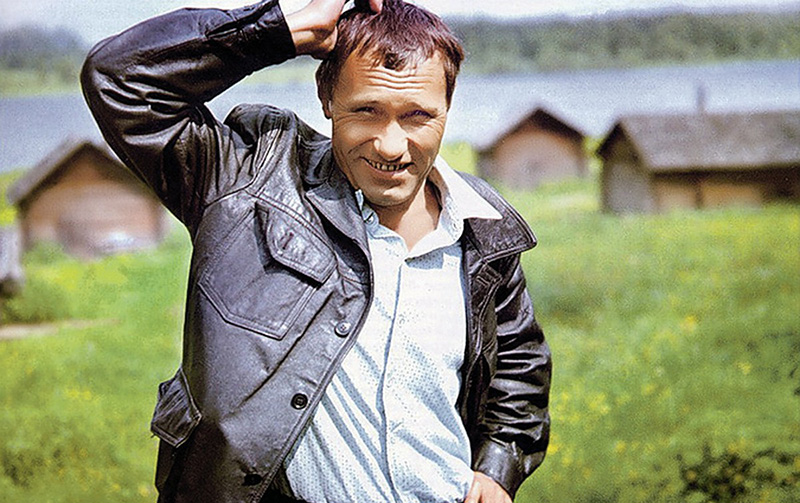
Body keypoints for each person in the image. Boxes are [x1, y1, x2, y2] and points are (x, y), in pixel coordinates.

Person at [81, 0, 551, 502]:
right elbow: (120, 78)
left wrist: (498, 465)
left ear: (447, 108)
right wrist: (279, 28)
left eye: (418, 116)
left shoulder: (482, 229)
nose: (391, 146)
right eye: (366, 111)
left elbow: (519, 363)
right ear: (326, 97)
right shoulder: (245, 180)